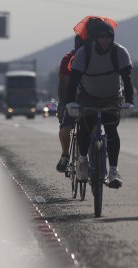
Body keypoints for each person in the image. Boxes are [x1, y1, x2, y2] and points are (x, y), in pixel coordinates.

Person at [66, 21, 134, 189]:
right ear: (96, 38)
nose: (105, 40)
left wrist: (129, 102)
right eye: (101, 37)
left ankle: (113, 171)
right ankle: (82, 160)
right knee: (84, 126)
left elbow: (127, 79)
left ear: (113, 38)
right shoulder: (84, 53)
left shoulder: (120, 52)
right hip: (88, 96)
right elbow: (73, 81)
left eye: (108, 37)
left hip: (112, 97)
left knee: (111, 130)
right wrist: (71, 102)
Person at [56, 35, 84, 172]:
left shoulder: (97, 57)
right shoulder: (69, 59)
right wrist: (62, 104)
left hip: (90, 100)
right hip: (71, 100)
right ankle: (65, 154)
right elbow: (63, 83)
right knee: (65, 129)